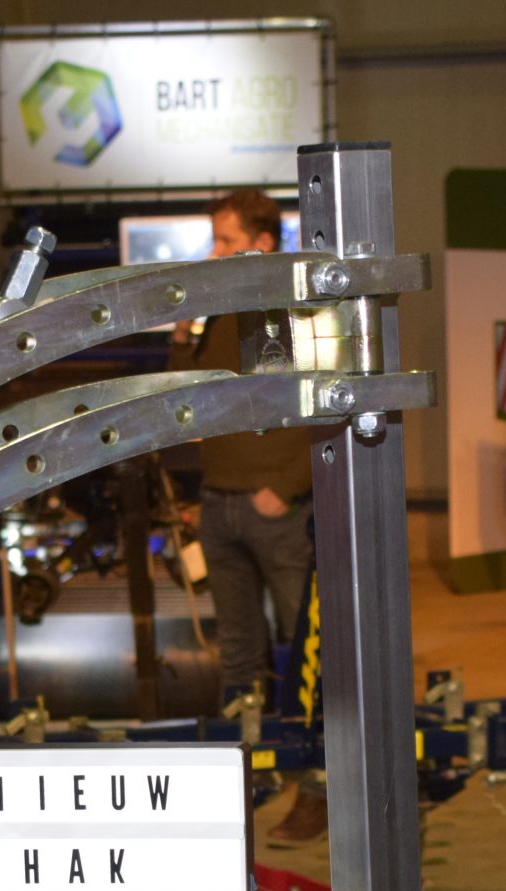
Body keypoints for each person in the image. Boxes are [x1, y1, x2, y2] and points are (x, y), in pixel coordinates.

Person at [170, 186, 325, 843]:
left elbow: (321, 402)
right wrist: (183, 332)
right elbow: (188, 400)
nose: (215, 252)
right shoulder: (220, 314)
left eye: (226, 241)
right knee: (238, 654)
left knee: (307, 651)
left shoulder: (293, 312)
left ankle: (318, 788)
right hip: (220, 503)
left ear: (261, 244)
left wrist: (285, 486)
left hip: (274, 508)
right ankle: (248, 773)